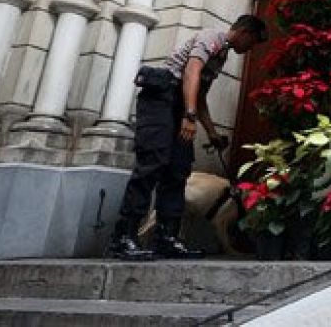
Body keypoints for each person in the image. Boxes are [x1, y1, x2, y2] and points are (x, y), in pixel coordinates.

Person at [107, 15, 268, 261]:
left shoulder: (221, 54)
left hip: (181, 104)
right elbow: (192, 71)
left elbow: (200, 93)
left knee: (178, 169)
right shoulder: (211, 37)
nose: (249, 49)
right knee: (153, 162)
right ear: (244, 32)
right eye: (253, 42)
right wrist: (189, 116)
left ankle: (166, 237)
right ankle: (123, 237)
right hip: (160, 99)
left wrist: (212, 132)